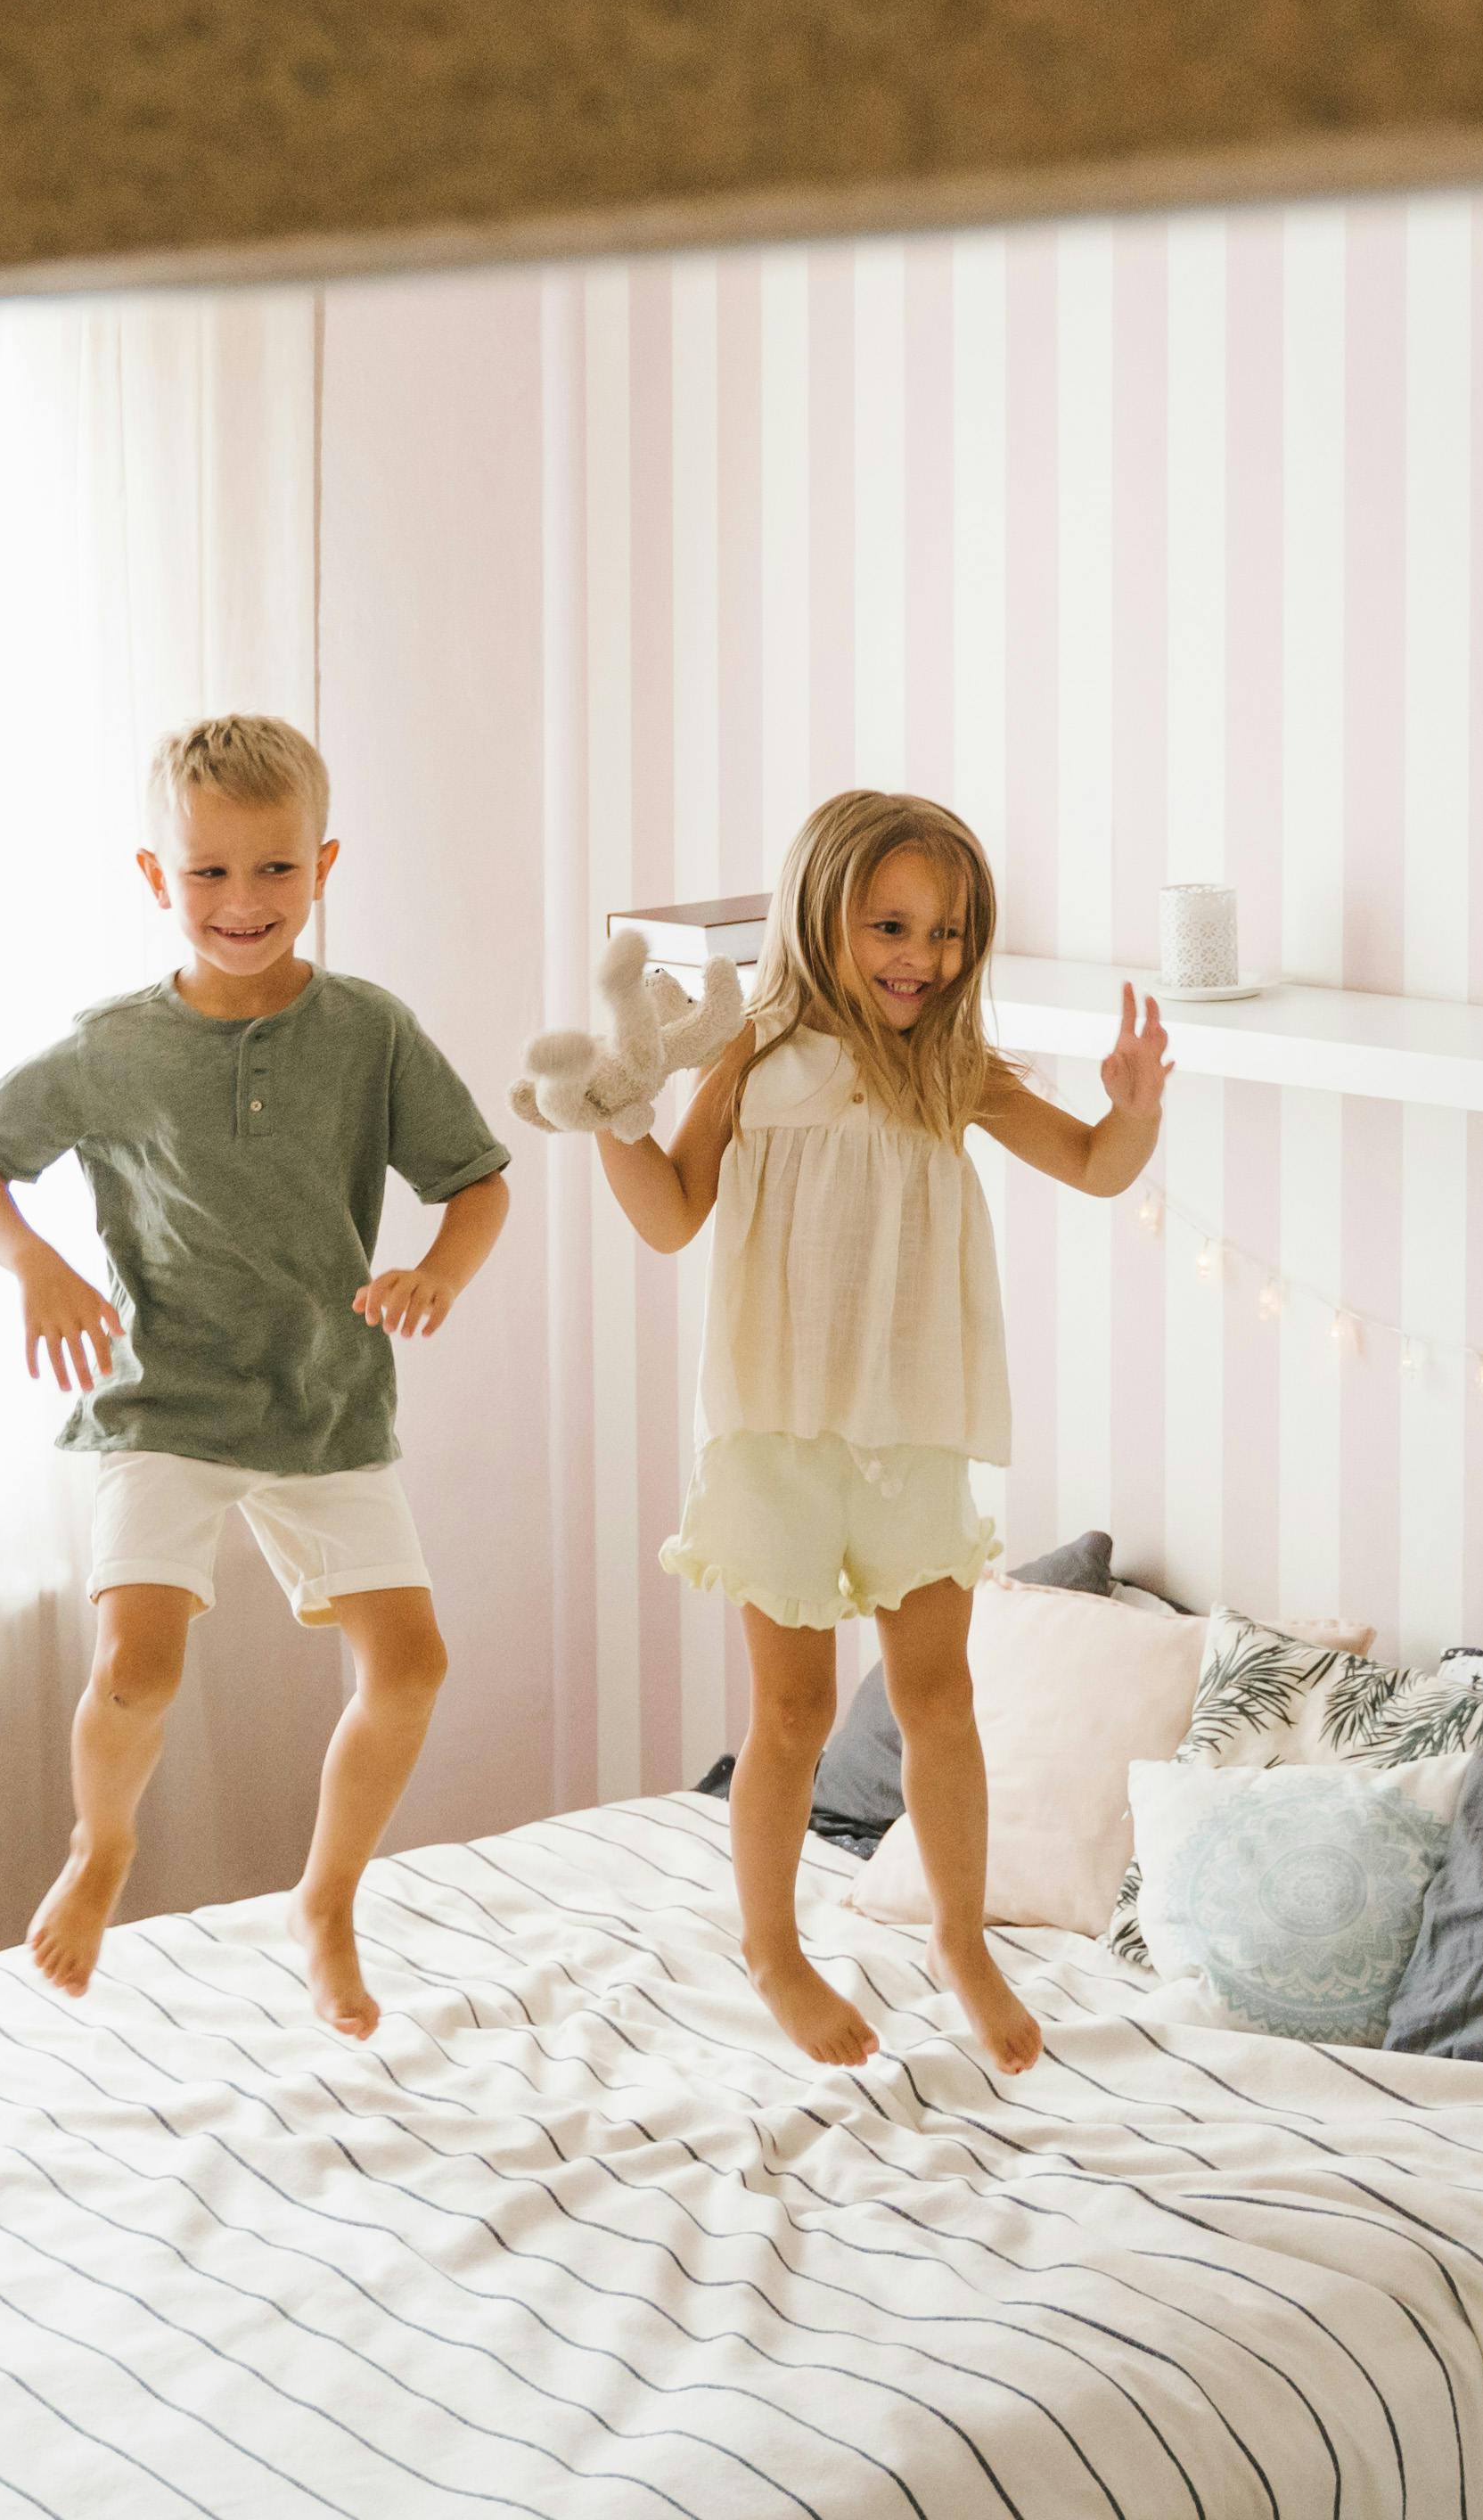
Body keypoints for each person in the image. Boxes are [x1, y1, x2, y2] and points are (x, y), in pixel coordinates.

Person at [0, 712, 512, 2038]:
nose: (242, 901)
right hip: (166, 1399)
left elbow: (477, 1182)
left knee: (412, 1669)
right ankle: (100, 1847)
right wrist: (35, 1265)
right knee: (135, 1670)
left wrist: (439, 1272)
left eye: (274, 870)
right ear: (157, 876)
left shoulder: (368, 1031)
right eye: (208, 872)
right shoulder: (113, 1047)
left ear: (323, 867)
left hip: (326, 1397)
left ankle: (326, 1901)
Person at [594, 787, 1168, 2069]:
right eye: (892, 927)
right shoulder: (752, 1057)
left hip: (912, 1435)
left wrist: (1133, 1110)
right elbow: (671, 1215)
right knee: (791, 1713)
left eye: (948, 932)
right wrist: (613, 1120)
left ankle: (961, 1940)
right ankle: (773, 1950)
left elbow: (1092, 1165)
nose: (924, 958)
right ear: (820, 917)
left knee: (939, 1698)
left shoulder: (947, 1071)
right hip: (776, 1435)